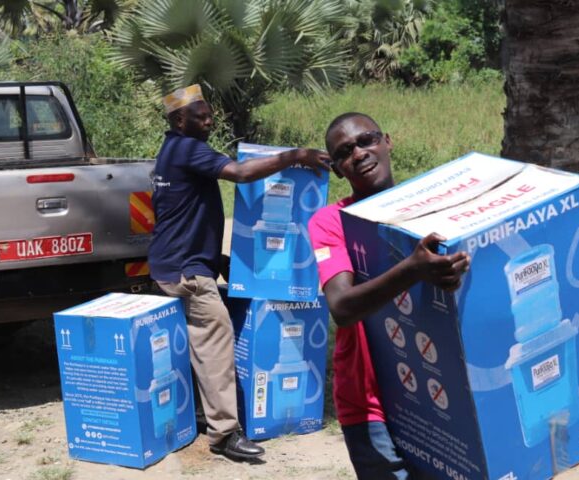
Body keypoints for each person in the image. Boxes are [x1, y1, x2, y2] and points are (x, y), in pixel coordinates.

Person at [148, 84, 329, 461]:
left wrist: (221, 260)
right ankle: (225, 434)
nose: (210, 120)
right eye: (201, 116)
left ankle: (201, 412)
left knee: (195, 346)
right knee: (216, 343)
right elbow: (242, 173)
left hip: (175, 264)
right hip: (188, 273)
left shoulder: (171, 149)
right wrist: (296, 155)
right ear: (180, 120)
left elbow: (187, 215)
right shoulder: (187, 148)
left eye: (210, 114)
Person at [308, 112, 470, 479]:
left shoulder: (430, 210)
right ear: (337, 169)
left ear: (387, 141)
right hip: (370, 407)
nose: (360, 153)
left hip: (437, 397)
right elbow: (342, 307)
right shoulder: (330, 222)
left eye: (367, 139)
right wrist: (413, 269)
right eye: (345, 151)